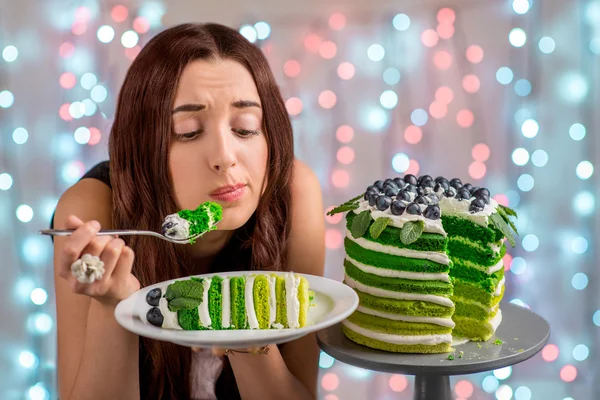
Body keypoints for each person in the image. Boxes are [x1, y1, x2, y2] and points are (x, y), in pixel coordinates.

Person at [52, 23, 325, 400]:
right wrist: (113, 306)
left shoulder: (294, 193)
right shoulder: (96, 211)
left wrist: (244, 334)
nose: (225, 158)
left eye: (245, 128)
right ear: (143, 146)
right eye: (189, 131)